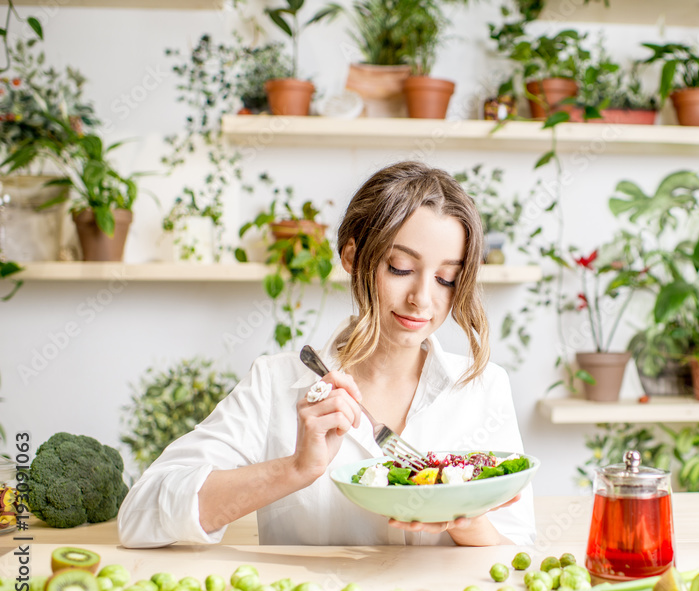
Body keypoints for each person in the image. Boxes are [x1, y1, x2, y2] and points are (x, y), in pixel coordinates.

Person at [118, 161, 535, 548]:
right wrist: (295, 469)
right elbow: (140, 516)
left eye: (446, 278)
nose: (422, 300)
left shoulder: (482, 387)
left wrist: (464, 515)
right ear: (353, 258)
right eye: (400, 268)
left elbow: (518, 552)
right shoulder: (275, 384)